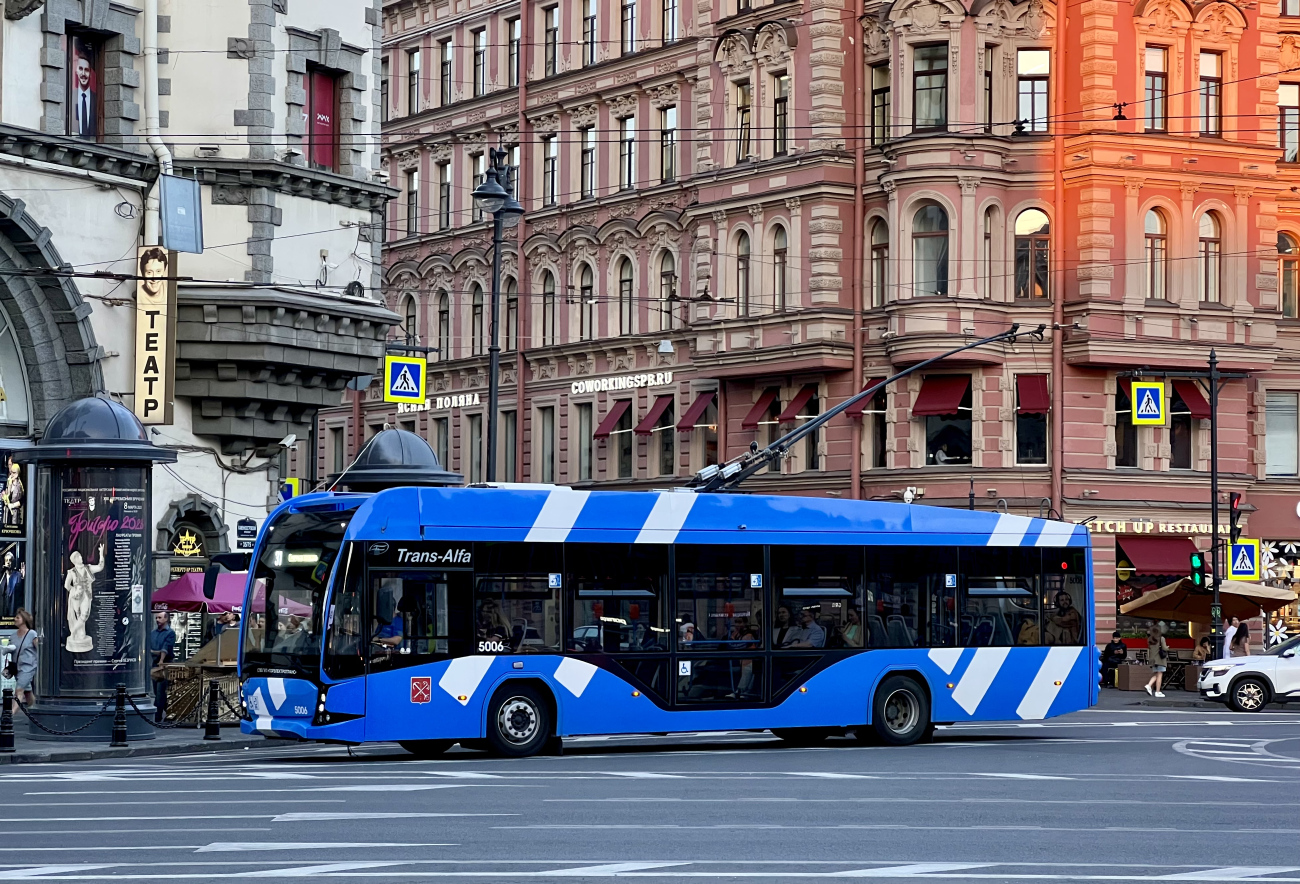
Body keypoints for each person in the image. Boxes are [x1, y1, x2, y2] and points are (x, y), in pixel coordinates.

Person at [63, 545, 105, 653]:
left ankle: (73, 631)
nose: (81, 558)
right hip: (76, 597)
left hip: (87, 596)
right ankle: (79, 633)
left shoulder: (88, 568)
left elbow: (100, 567)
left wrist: (101, 554)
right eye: (79, 557)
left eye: (80, 556)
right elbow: (67, 585)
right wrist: (74, 590)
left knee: (84, 615)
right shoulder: (71, 572)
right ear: (75, 560)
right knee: (79, 615)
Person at [5, 609, 36, 712]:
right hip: (16, 667)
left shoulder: (32, 634)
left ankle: (10, 715)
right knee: (27, 692)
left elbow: (39, 649)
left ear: (24, 620)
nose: (15, 619)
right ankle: (34, 711)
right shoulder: (13, 636)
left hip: (28, 667)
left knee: (19, 691)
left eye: (18, 617)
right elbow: (8, 649)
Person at [149, 611, 176, 723]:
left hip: (165, 664)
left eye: (160, 618)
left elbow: (166, 648)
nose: (157, 620)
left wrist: (161, 659)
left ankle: (158, 715)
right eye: (156, 618)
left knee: (161, 691)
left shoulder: (170, 633)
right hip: (155, 662)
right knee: (156, 691)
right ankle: (171, 712)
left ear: (166, 619)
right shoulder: (153, 633)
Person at [72, 52, 96, 138]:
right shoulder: (70, 97)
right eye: (80, 69)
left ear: (90, 73)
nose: (83, 74)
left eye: (86, 70)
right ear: (76, 71)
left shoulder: (96, 100)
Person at [1144, 622, 1169, 698]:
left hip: (1153, 659)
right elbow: (1164, 648)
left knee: (1156, 674)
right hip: (1160, 659)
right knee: (1160, 675)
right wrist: (1167, 647)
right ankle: (1157, 691)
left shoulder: (1149, 639)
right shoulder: (1161, 638)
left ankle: (1149, 685)